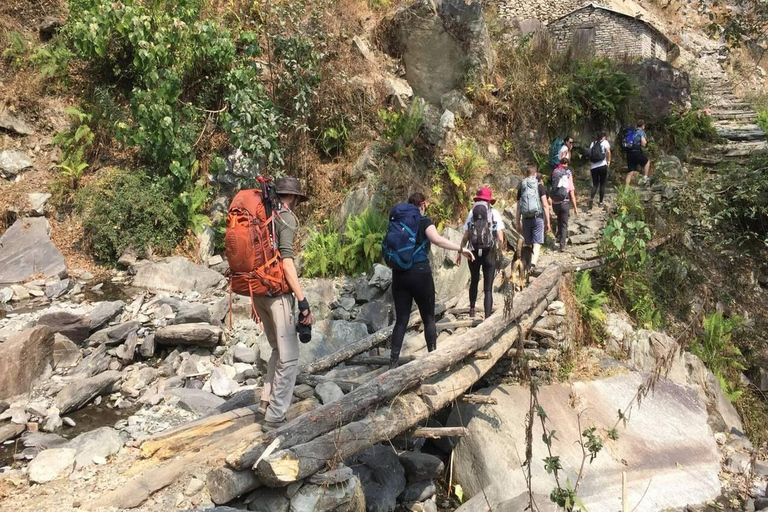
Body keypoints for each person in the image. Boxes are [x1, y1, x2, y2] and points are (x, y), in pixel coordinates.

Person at [255, 177, 314, 430]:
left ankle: (265, 403)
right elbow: (287, 263)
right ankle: (276, 417)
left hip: (257, 292)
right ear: (294, 198)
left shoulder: (262, 216)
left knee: (277, 349)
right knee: (289, 358)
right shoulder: (285, 218)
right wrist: (303, 301)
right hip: (277, 295)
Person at [390, 192, 474, 368]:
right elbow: (437, 240)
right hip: (420, 273)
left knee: (401, 320)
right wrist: (460, 249)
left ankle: (393, 362)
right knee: (428, 318)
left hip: (399, 274)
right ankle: (433, 359)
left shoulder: (398, 223)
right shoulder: (423, 221)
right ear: (422, 205)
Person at [458, 187, 505, 320]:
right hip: (489, 252)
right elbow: (500, 237)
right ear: (490, 201)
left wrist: (460, 250)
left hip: (472, 251)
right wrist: (499, 252)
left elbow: (466, 235)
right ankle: (487, 316)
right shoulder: (494, 213)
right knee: (488, 288)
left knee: (474, 280)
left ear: (478, 199)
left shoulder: (472, 212)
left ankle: (472, 310)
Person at [516, 166, 551, 270]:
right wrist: (548, 222)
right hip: (537, 218)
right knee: (537, 243)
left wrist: (517, 223)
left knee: (527, 243)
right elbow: (545, 205)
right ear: (535, 174)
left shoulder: (521, 187)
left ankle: (525, 264)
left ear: (526, 174)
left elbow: (518, 208)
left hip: (525, 218)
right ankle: (532, 265)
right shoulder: (539, 186)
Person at [550, 157, 579, 252]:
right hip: (564, 203)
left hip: (555, 203)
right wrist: (575, 207)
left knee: (559, 218)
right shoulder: (567, 175)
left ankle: (558, 237)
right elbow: (572, 194)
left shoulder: (555, 173)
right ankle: (562, 245)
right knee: (564, 223)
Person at [588, 132, 611, 209]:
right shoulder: (605, 142)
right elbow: (608, 151)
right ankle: (600, 202)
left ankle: (591, 198)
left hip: (593, 167)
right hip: (602, 165)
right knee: (602, 184)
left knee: (595, 184)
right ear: (603, 137)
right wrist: (608, 161)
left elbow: (590, 154)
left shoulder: (592, 143)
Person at [626, 120, 650, 186]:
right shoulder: (641, 132)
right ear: (643, 126)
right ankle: (645, 178)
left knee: (630, 171)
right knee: (647, 162)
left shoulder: (632, 132)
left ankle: (626, 189)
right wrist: (645, 143)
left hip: (629, 153)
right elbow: (643, 143)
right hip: (637, 152)